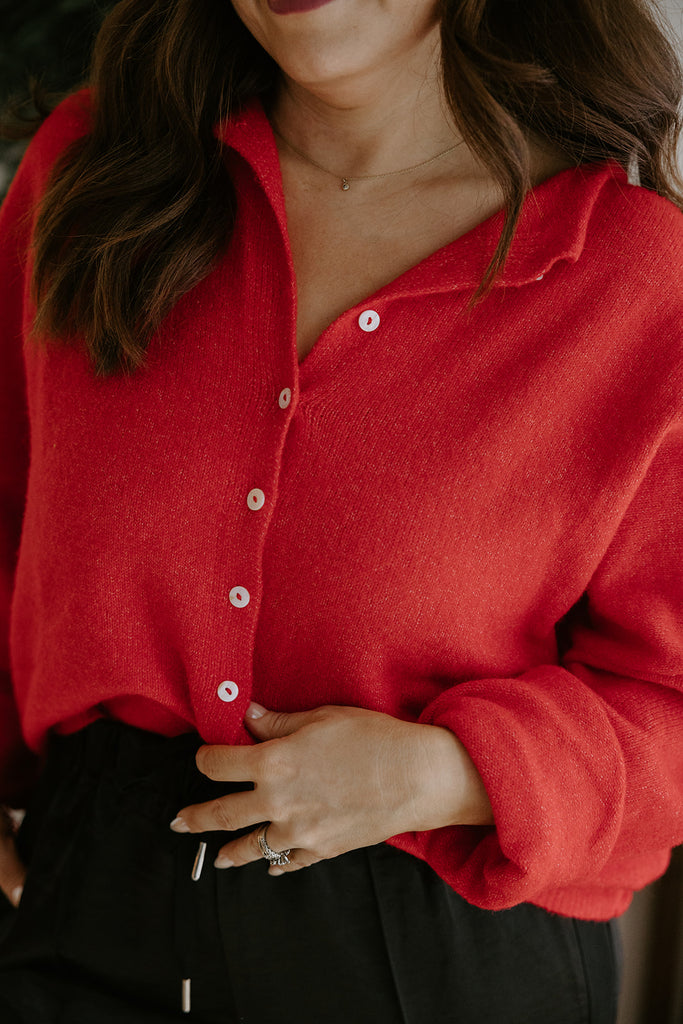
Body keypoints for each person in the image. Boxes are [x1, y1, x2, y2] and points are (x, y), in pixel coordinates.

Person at [0, 0, 682, 1020]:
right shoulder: (92, 170)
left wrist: (445, 774)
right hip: (80, 910)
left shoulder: (639, 284)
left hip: (432, 940)